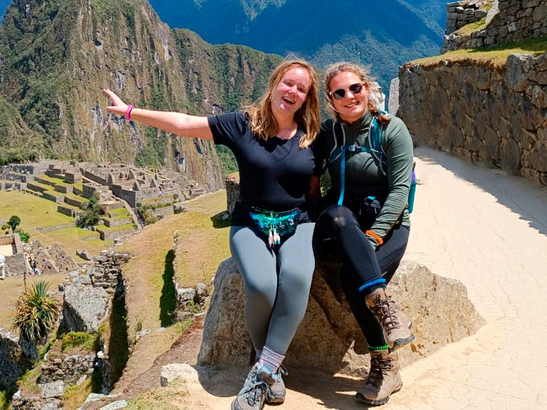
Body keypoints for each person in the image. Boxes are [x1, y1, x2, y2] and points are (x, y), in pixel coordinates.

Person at [104, 59, 321, 410]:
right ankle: (271, 366)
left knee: (296, 278)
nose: (292, 92)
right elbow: (185, 124)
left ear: (307, 98)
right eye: (288, 83)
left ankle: (263, 371)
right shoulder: (243, 125)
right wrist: (130, 111)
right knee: (262, 286)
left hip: (298, 223)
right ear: (275, 83)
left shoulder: (314, 136)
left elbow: (326, 180)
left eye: (301, 88)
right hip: (249, 223)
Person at [310, 62, 415, 406]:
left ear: (366, 89)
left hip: (389, 223)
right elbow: (301, 170)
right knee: (338, 216)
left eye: (355, 88)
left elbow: (399, 191)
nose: (349, 96)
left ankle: (385, 367)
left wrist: (372, 239)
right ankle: (387, 311)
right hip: (341, 224)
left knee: (358, 284)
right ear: (331, 100)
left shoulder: (391, 130)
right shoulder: (328, 134)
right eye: (340, 93)